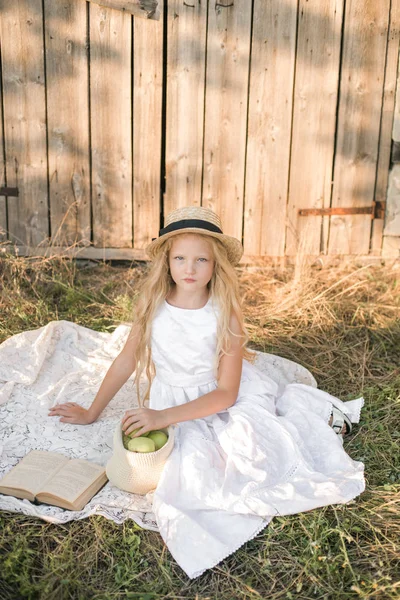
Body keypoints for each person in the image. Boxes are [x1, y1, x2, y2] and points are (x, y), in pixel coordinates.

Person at [48, 205, 365, 578]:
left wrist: (162, 417)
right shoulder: (152, 307)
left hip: (215, 397)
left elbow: (227, 394)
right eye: (180, 258)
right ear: (166, 262)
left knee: (248, 455)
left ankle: (317, 418)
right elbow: (125, 361)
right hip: (171, 396)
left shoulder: (223, 314)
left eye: (201, 260)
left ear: (216, 266)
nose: (190, 269)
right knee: (179, 467)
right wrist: (91, 411)